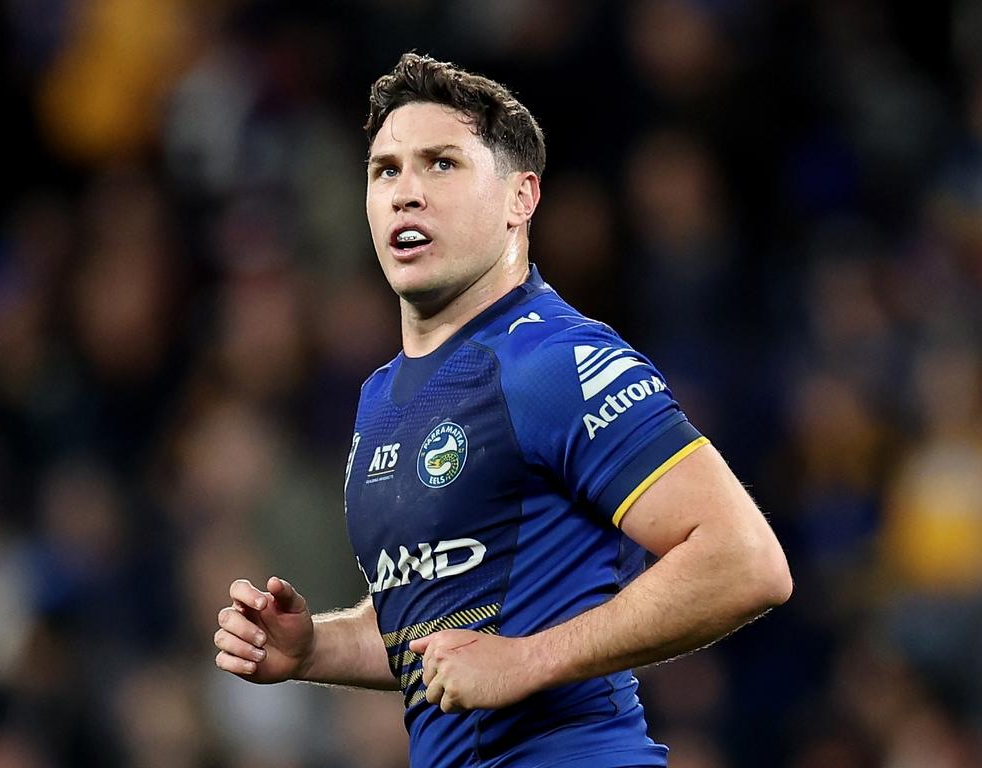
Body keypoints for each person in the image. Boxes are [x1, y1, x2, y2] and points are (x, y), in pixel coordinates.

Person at [213, 52, 792, 768]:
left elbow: (744, 561)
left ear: (521, 198)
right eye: (386, 170)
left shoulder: (552, 360)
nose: (406, 192)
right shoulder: (379, 400)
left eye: (442, 164)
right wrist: (313, 648)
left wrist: (527, 662)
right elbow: (440, 626)